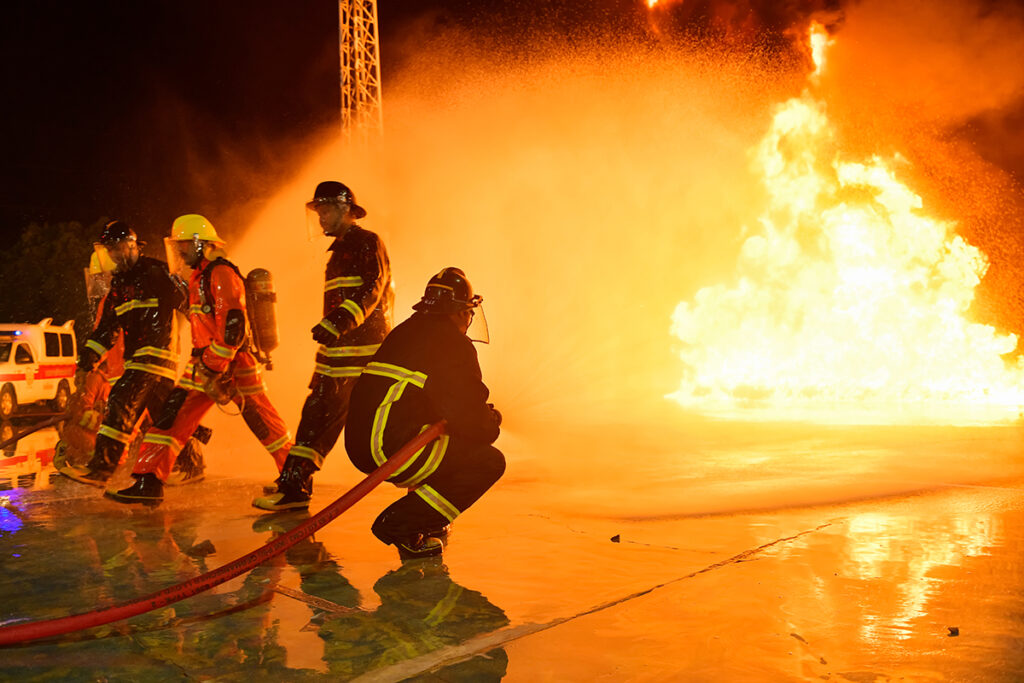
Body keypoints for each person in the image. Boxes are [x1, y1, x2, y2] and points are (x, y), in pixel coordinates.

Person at [105, 214, 293, 505]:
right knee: (172, 417)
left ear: (199, 243)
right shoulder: (199, 277)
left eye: (182, 245)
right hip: (204, 362)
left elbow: (233, 327)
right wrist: (205, 365)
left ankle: (293, 478)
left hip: (233, 364)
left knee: (263, 422)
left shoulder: (220, 274)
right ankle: (149, 480)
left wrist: (212, 366)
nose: (179, 252)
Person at [344, 267, 505, 560]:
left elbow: (435, 402)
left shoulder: (409, 330)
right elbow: (467, 415)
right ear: (458, 312)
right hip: (386, 448)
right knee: (487, 462)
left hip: (364, 442)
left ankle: (426, 517)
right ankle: (403, 523)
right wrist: (489, 423)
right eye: (469, 312)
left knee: (451, 444)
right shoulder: (451, 343)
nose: (469, 320)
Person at [253, 181, 393, 512]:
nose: (321, 218)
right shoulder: (338, 252)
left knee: (376, 427)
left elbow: (374, 287)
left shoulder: (367, 242)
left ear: (346, 210)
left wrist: (339, 321)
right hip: (338, 356)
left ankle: (294, 485)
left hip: (363, 356)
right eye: (318, 212)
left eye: (326, 210)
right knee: (315, 415)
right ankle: (293, 485)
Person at [60, 221, 185, 486]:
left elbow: (186, 303)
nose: (114, 256)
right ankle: (192, 465)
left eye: (117, 249)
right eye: (110, 251)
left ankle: (100, 470)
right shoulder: (120, 285)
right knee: (166, 415)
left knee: (120, 404)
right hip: (142, 359)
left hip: (155, 356)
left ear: (131, 245)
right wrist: (87, 359)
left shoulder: (155, 272)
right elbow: (106, 329)